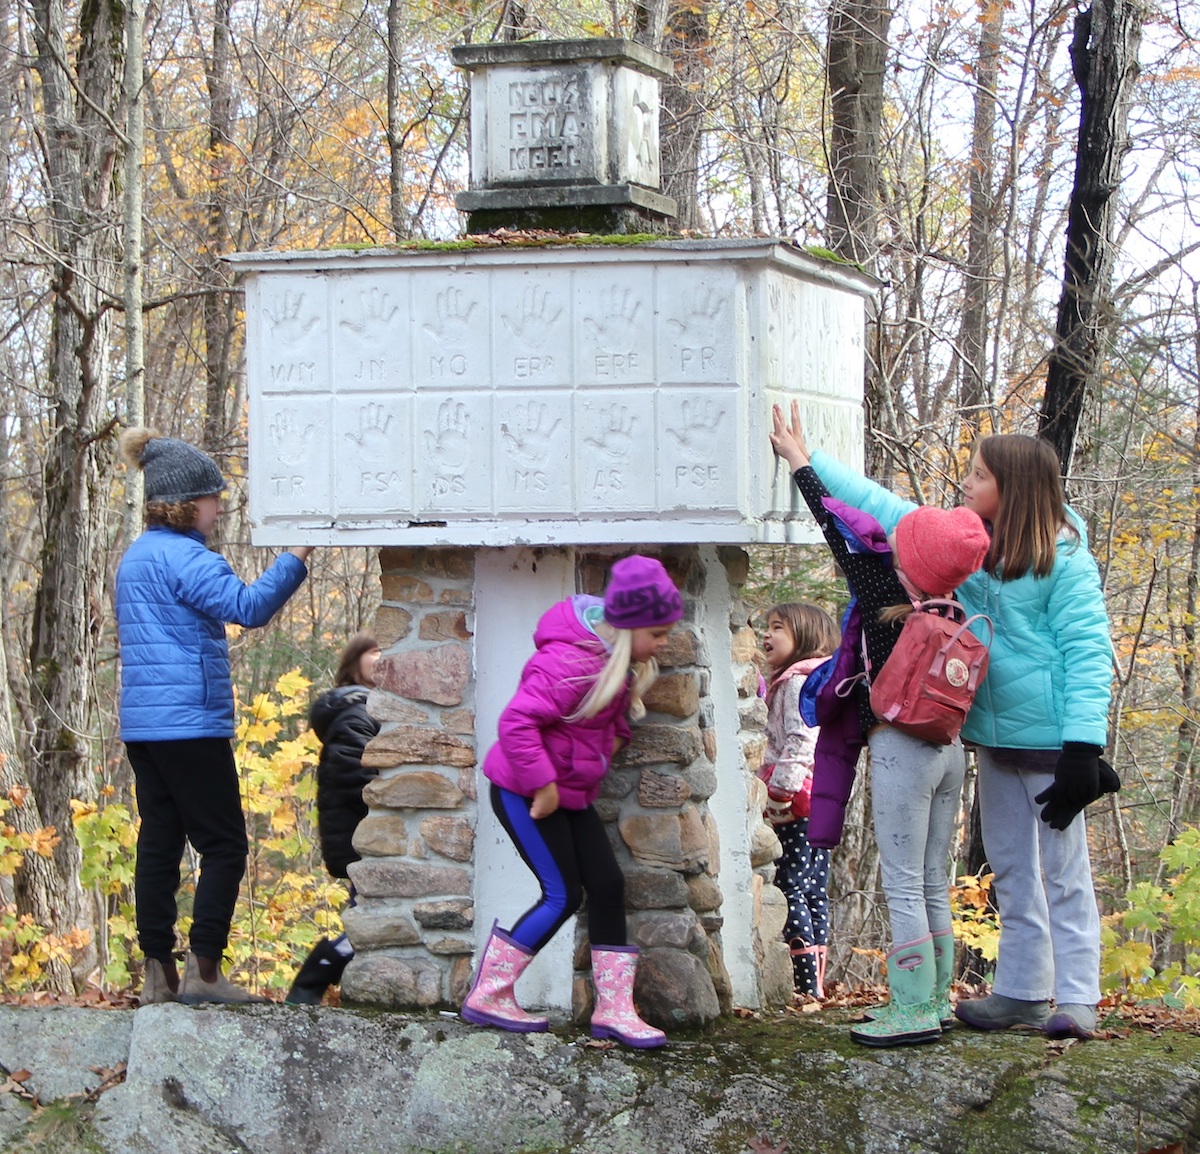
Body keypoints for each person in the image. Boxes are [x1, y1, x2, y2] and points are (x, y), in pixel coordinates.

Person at [778, 400, 1117, 1041]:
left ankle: (1078, 996)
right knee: (1010, 869)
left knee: (1064, 872)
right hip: (990, 737)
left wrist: (1083, 746)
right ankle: (1022, 990)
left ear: (1012, 489)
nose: (967, 480)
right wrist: (808, 456)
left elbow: (1089, 651)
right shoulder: (966, 549)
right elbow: (882, 508)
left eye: (980, 474)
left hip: (1052, 745)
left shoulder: (1064, 560)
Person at [770, 404, 990, 1046]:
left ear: (909, 551)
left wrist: (801, 462)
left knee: (900, 880)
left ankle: (913, 1010)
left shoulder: (881, 591)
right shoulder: (950, 603)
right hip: (949, 754)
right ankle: (938, 999)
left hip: (903, 751)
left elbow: (833, 524)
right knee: (930, 879)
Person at [117, 427, 313, 1005]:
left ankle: (158, 972)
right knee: (224, 844)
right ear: (185, 503)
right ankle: (205, 974)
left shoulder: (135, 557)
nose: (219, 506)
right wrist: (297, 554)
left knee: (159, 843)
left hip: (145, 728)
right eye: (212, 497)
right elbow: (249, 608)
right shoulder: (185, 557)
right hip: (190, 725)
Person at [460, 554, 683, 1048]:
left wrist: (613, 739)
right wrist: (543, 784)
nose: (665, 643)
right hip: (524, 792)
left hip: (569, 794)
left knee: (607, 883)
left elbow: (608, 720)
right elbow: (517, 723)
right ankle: (489, 995)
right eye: (659, 633)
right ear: (628, 627)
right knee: (562, 894)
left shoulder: (616, 663)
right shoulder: (569, 661)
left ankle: (614, 1010)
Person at [285, 633, 382, 1005]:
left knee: (367, 916)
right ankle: (313, 977)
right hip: (362, 834)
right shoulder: (356, 712)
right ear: (354, 662)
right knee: (367, 921)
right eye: (374, 653)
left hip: (363, 834)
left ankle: (314, 983)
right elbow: (351, 773)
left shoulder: (370, 709)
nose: (382, 658)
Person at [758, 603, 839, 998]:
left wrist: (778, 794)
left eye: (777, 627)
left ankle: (804, 986)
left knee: (791, 886)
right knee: (813, 888)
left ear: (804, 635)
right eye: (766, 627)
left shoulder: (795, 683)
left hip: (795, 799)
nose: (766, 635)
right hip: (822, 797)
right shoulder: (820, 678)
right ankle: (817, 985)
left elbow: (801, 741)